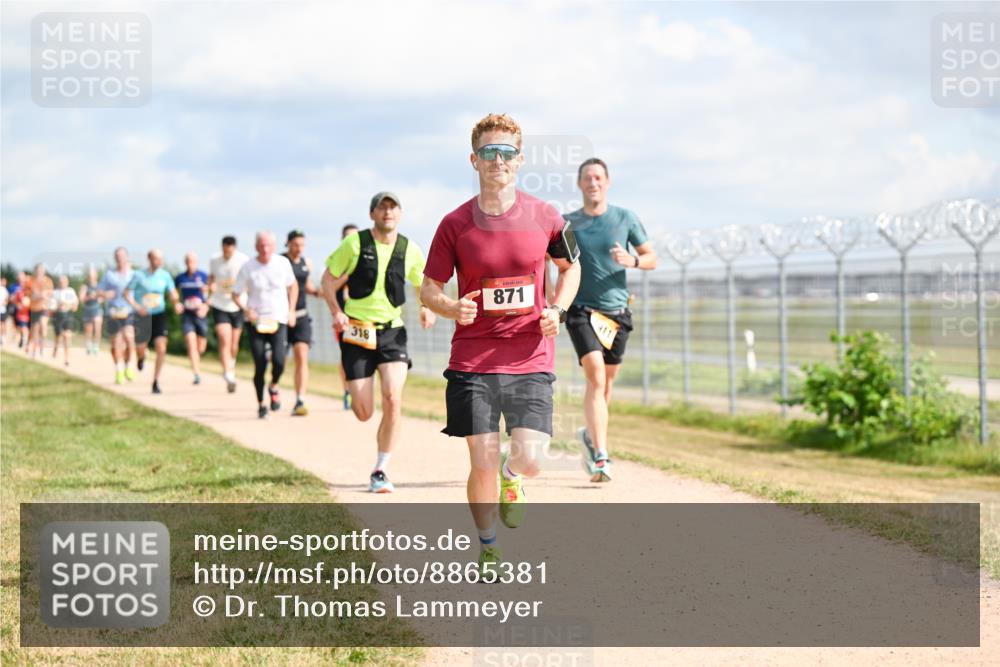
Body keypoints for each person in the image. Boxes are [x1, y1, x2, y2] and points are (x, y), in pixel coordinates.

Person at [420, 113, 580, 571]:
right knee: (483, 459)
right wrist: (451, 307)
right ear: (474, 159)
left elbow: (572, 269)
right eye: (488, 152)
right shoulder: (454, 223)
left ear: (520, 159)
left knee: (530, 458)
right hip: (472, 358)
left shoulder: (547, 216)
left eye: (506, 152)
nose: (498, 160)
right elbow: (429, 287)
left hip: (530, 353)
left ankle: (516, 479)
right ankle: (488, 545)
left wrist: (558, 310)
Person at [321, 192, 435, 493]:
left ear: (400, 214)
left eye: (393, 207)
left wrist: (426, 307)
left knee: (393, 398)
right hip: (357, 331)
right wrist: (336, 312)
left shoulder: (410, 249)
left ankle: (381, 468)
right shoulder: (354, 244)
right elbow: (327, 280)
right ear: (372, 214)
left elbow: (424, 284)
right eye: (382, 207)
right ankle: (351, 384)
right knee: (364, 413)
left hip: (391, 332)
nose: (387, 212)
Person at [564, 158, 657, 482]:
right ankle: (602, 456)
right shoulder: (568, 224)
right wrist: (554, 299)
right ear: (579, 184)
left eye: (598, 177)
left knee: (607, 384)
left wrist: (631, 260)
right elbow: (553, 263)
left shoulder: (625, 218)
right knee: (596, 377)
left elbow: (651, 258)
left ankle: (590, 435)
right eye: (587, 178)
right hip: (581, 311)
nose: (593, 182)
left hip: (617, 313)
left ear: (607, 182)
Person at [232, 231, 298, 419]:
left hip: (278, 319)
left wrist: (291, 310)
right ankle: (261, 404)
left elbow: (293, 286)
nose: (265, 249)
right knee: (260, 363)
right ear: (255, 246)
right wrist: (246, 309)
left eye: (268, 245)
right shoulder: (248, 267)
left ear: (274, 246)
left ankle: (274, 385)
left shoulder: (282, 263)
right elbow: (236, 294)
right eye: (261, 245)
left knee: (279, 360)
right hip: (256, 321)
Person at [126, 249, 180, 394]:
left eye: (161, 259)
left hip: (159, 314)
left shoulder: (165, 275)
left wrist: (176, 302)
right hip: (142, 315)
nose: (159, 261)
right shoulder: (139, 275)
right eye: (156, 258)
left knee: (161, 347)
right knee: (140, 348)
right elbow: (126, 293)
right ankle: (141, 357)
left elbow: (172, 292)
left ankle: (156, 381)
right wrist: (137, 307)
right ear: (149, 259)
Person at [283, 230, 321, 416]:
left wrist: (317, 293)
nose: (299, 249)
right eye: (296, 245)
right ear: (288, 244)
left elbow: (307, 285)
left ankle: (300, 400)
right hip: (281, 318)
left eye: (302, 245)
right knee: (279, 360)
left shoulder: (307, 263)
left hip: (301, 315)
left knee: (301, 356)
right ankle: (274, 386)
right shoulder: (280, 262)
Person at [208, 236, 249, 393]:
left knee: (233, 344)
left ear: (234, 248)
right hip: (220, 303)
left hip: (238, 304)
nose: (227, 253)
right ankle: (228, 374)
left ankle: (231, 362)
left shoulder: (243, 260)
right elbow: (211, 278)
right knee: (224, 338)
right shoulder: (214, 260)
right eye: (225, 250)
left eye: (230, 250)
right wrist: (210, 287)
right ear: (222, 248)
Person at [100, 248, 138, 384]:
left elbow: (140, 291)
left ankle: (128, 365)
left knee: (129, 340)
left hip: (129, 312)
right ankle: (119, 369)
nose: (119, 258)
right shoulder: (109, 274)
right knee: (115, 343)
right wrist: (105, 294)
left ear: (127, 257)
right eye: (117, 256)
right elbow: (100, 291)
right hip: (113, 312)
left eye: (122, 256)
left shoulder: (133, 274)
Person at [175, 252, 210, 385]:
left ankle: (197, 358)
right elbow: (174, 293)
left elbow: (212, 291)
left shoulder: (203, 276)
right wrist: (177, 303)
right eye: (188, 261)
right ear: (185, 262)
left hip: (201, 315)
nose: (191, 264)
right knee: (191, 343)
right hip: (187, 314)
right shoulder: (180, 278)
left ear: (197, 262)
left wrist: (206, 306)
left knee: (200, 347)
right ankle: (196, 374)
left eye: (193, 261)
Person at [336, 224, 359, 410]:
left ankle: (361, 391)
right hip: (344, 318)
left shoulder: (368, 258)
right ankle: (347, 391)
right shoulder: (339, 261)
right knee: (346, 357)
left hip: (365, 318)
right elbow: (329, 285)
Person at [26, 263, 54, 359]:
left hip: (44, 307)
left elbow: (50, 293)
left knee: (43, 324)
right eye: (38, 270)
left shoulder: (48, 281)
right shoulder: (30, 281)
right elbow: (28, 294)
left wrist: (45, 294)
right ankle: (35, 350)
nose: (40, 271)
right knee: (35, 329)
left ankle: (42, 346)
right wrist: (38, 295)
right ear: (35, 271)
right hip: (34, 308)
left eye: (42, 270)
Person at [50, 275, 79, 366]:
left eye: (64, 281)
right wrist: (58, 306)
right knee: (58, 336)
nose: (62, 283)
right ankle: (55, 349)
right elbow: (51, 308)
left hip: (68, 316)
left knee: (67, 336)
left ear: (67, 282)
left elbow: (75, 306)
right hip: (58, 316)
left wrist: (68, 306)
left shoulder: (71, 292)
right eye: (61, 281)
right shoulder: (55, 292)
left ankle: (66, 358)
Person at [79, 267, 104, 355]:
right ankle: (88, 345)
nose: (91, 277)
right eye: (89, 275)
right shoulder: (84, 287)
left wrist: (98, 297)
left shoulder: (100, 286)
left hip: (97, 309)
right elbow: (81, 299)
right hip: (87, 310)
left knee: (98, 328)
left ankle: (96, 346)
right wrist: (90, 297)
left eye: (92, 275)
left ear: (96, 276)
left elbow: (102, 298)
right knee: (89, 329)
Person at [13, 272, 31, 349]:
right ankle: (22, 338)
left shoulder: (30, 292)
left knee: (26, 327)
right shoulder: (19, 292)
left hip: (28, 312)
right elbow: (16, 300)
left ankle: (25, 340)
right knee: (20, 327)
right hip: (20, 313)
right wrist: (18, 305)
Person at [0, 277, 9, 347]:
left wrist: (2, 304)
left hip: (2, 310)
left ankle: (2, 338)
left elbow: (6, 300)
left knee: (2, 324)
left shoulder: (5, 291)